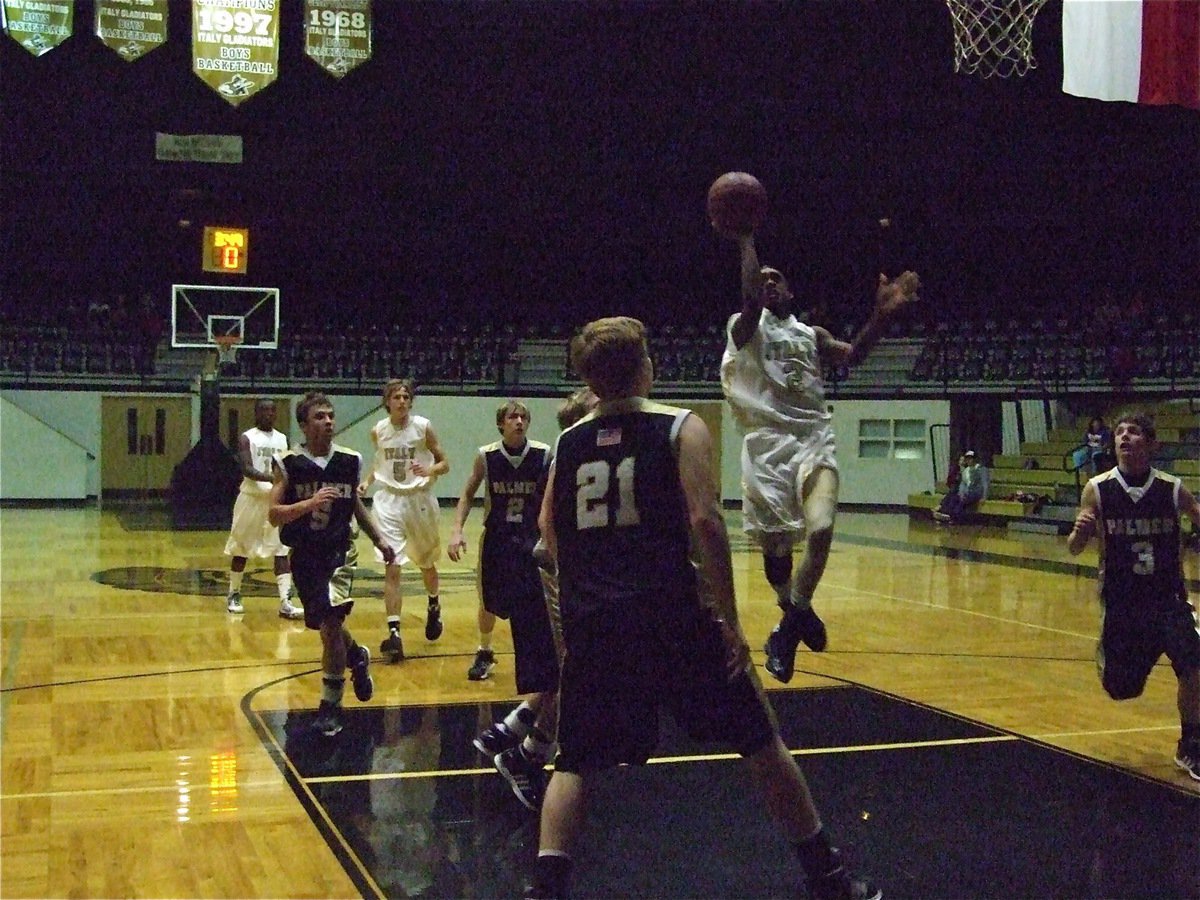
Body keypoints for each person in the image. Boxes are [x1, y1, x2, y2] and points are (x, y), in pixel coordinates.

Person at [527, 316, 879, 900]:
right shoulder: (679, 426)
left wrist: (581, 619)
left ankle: (545, 889)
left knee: (575, 761)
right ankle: (828, 877)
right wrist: (731, 621)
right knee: (761, 742)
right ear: (646, 366)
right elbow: (705, 522)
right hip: (674, 618)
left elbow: (548, 539)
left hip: (598, 625)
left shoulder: (566, 443)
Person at [718, 229, 920, 684]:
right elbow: (751, 301)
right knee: (777, 554)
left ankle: (788, 628)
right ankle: (794, 610)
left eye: (777, 279)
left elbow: (853, 355)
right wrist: (747, 239)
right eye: (762, 279)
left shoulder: (811, 334)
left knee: (823, 526)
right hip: (767, 444)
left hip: (813, 437)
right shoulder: (744, 327)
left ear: (790, 291)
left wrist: (881, 316)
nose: (769, 283)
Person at [1067, 413, 1200, 782]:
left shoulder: (1172, 488)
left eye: (1134, 432)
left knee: (1194, 664)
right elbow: (1075, 549)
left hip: (1168, 599)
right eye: (1120, 433)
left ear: (1151, 444)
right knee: (1121, 689)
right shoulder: (1098, 488)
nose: (1125, 437)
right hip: (1123, 603)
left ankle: (1191, 745)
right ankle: (1111, 660)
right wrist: (1080, 532)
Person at [447, 400, 559, 809]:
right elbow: (467, 491)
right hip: (497, 542)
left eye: (523, 418)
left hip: (529, 544)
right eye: (512, 417)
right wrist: (457, 529)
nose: (518, 422)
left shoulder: (545, 455)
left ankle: (515, 724)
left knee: (536, 623)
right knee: (490, 604)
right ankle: (484, 651)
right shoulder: (486, 456)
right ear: (500, 425)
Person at [268, 392, 396, 737]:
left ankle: (331, 703)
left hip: (340, 552)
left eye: (330, 416)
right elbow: (273, 514)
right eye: (319, 417)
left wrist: (380, 539)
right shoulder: (288, 463)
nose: (328, 422)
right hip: (305, 554)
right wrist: (309, 503)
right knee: (326, 627)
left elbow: (355, 504)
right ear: (304, 425)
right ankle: (356, 655)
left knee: (329, 623)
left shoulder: (349, 460)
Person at [358, 378, 448, 663]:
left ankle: (433, 604)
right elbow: (380, 461)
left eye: (406, 397)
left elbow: (445, 463)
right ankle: (394, 632)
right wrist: (367, 481)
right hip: (388, 501)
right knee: (392, 565)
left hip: (419, 499)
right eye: (396, 397)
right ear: (387, 401)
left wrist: (429, 468)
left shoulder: (423, 427)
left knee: (426, 563)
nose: (401, 401)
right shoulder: (378, 431)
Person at [223, 398, 303, 619]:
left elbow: (287, 467)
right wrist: (273, 478)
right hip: (250, 498)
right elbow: (247, 468)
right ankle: (234, 593)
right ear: (256, 413)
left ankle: (285, 601)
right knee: (241, 548)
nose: (268, 413)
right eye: (263, 410)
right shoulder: (247, 438)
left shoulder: (282, 439)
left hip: (274, 501)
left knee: (281, 549)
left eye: (271, 410)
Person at [932, 451, 987, 524]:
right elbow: (963, 483)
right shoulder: (967, 470)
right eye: (967, 459)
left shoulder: (981, 469)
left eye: (970, 459)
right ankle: (946, 514)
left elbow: (985, 484)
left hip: (975, 492)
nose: (969, 460)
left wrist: (984, 496)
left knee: (959, 498)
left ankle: (949, 515)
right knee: (955, 496)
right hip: (966, 491)